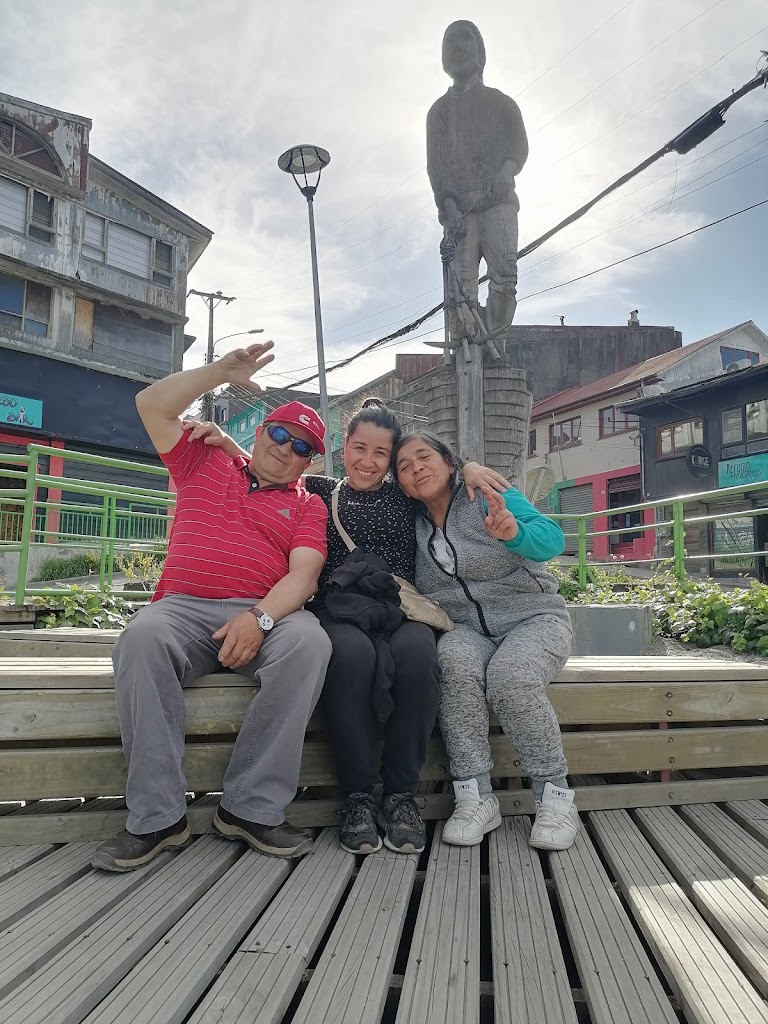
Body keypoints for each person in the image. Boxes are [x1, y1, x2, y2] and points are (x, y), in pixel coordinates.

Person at [185, 400, 508, 857]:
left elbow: (438, 478)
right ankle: (356, 796)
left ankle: (400, 795)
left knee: (419, 659)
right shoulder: (318, 490)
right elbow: (275, 465)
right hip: (338, 610)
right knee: (351, 659)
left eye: (381, 453)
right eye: (359, 448)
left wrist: (469, 466)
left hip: (400, 611)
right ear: (344, 448)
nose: (368, 461)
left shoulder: (405, 497)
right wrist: (229, 445)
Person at [92, 341, 332, 872]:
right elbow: (151, 405)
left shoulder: (308, 503)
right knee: (142, 637)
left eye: (301, 446)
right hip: (183, 609)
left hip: (263, 612)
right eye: (279, 434)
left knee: (310, 642)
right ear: (261, 432)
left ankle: (249, 808)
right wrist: (219, 372)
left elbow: (304, 575)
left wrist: (260, 617)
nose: (286, 448)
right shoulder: (205, 460)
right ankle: (158, 818)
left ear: (309, 462)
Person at [393, 431, 579, 851]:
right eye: (404, 466)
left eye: (424, 457)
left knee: (510, 676)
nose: (416, 468)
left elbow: (552, 539)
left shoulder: (486, 493)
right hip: (466, 629)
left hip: (533, 617)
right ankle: (475, 796)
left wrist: (514, 532)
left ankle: (555, 797)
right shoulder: (411, 522)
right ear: (401, 484)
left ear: (450, 463)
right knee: (451, 666)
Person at [427, 20, 528, 338]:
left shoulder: (501, 103)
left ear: (480, 53)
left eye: (464, 39)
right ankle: (466, 351)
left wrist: (507, 169)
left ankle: (497, 345)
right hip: (459, 214)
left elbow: (518, 144)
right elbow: (436, 167)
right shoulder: (438, 112)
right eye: (449, 42)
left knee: (506, 279)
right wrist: (448, 204)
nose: (456, 47)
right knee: (460, 291)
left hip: (498, 204)